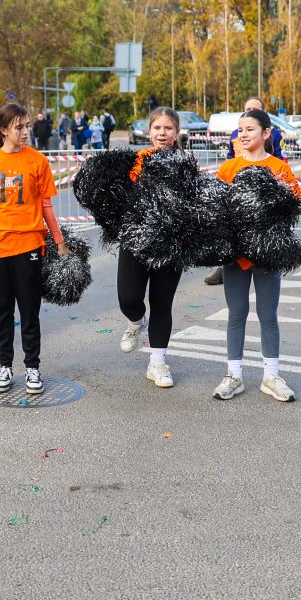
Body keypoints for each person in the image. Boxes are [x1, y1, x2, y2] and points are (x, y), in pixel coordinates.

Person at [0, 103, 69, 395]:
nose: (25, 132)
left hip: (28, 244)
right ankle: (5, 366)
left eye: (27, 126)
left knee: (29, 310)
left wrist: (59, 241)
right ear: (3, 130)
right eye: (19, 127)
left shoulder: (38, 161)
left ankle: (32, 367)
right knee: (2, 310)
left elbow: (46, 206)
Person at [212, 108, 301, 403]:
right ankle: (234, 376)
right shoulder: (228, 168)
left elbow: (300, 205)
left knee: (268, 315)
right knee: (236, 314)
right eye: (240, 129)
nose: (243, 134)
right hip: (236, 256)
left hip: (268, 254)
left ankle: (271, 376)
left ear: (266, 133)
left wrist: (276, 199)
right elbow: (215, 209)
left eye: (250, 129)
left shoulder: (279, 168)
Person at [115, 107, 186, 389]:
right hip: (135, 241)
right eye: (157, 128)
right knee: (128, 297)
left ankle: (157, 362)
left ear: (176, 132)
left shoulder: (186, 165)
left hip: (170, 245)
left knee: (161, 303)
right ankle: (135, 322)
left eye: (168, 128)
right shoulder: (137, 161)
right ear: (149, 132)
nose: (162, 133)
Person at [205, 95, 284, 286]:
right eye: (247, 109)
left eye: (254, 109)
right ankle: (223, 267)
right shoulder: (234, 137)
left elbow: (281, 159)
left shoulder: (275, 136)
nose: (243, 134)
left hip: (265, 240)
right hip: (235, 240)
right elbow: (229, 157)